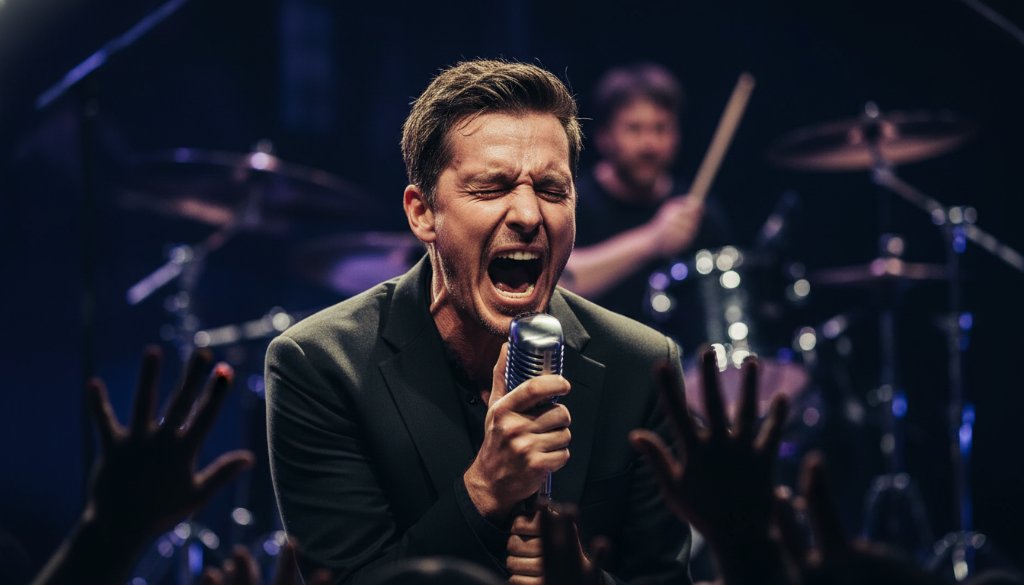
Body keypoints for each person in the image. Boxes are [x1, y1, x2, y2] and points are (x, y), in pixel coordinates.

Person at [264, 59, 690, 584]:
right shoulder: (320, 364)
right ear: (423, 213)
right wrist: (486, 490)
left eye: (553, 191)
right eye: (492, 188)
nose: (530, 215)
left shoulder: (643, 365)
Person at [564, 63, 729, 322]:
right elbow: (561, 282)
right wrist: (653, 240)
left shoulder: (697, 210)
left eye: (661, 128)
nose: (650, 144)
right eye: (635, 129)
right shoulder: (573, 201)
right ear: (603, 136)